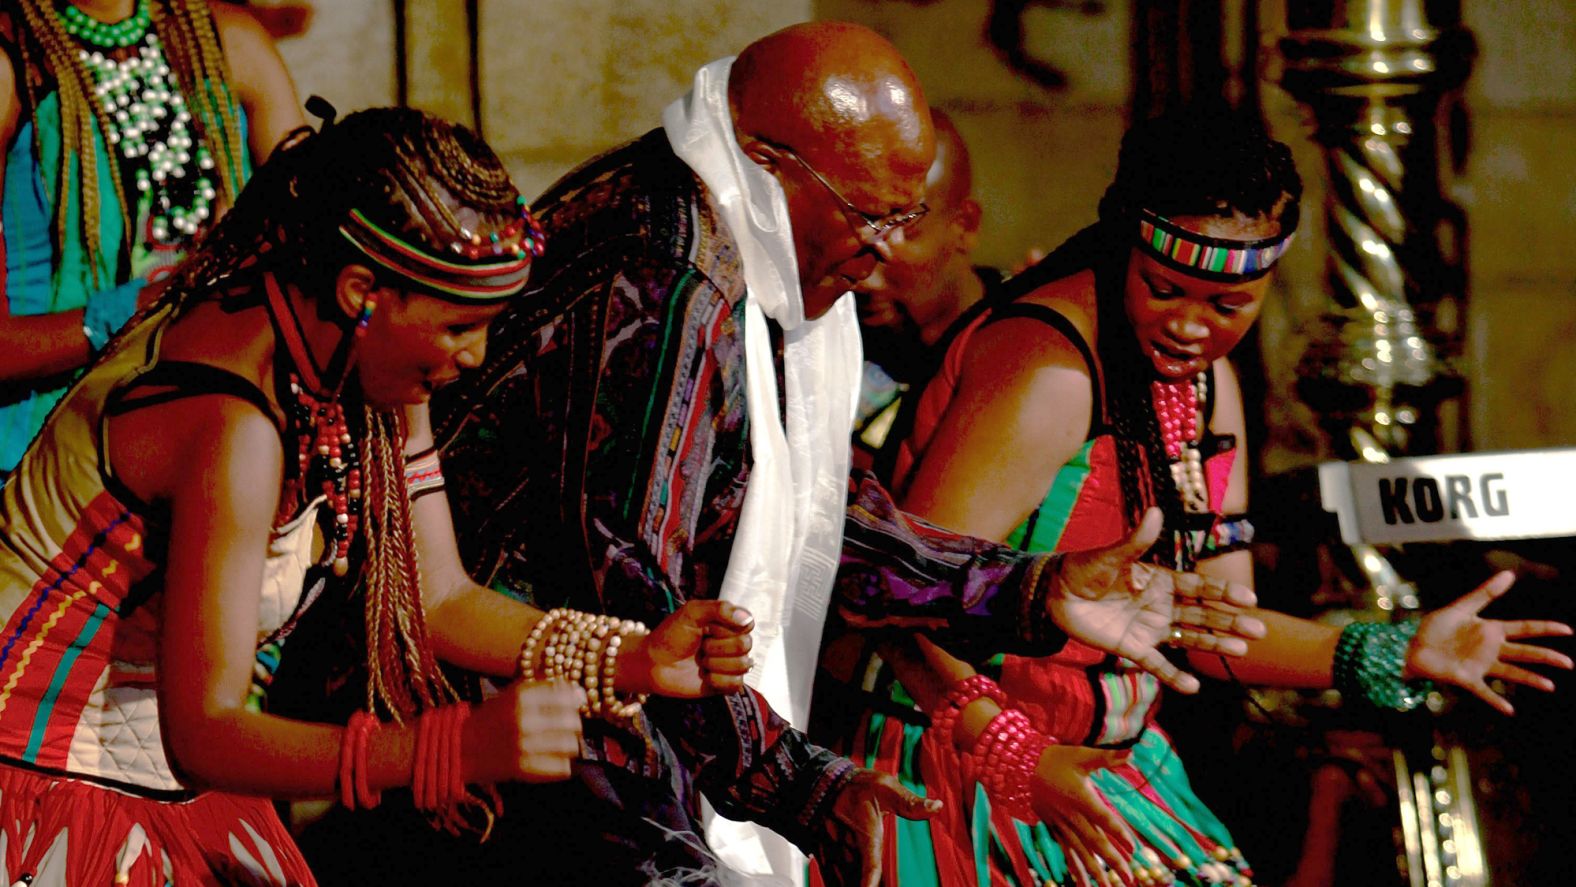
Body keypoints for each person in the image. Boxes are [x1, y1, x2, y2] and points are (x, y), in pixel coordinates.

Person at [427, 22, 1265, 887]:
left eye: (905, 218)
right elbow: (636, 614)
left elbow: (810, 521)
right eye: (869, 216)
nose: (885, 253)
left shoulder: (755, 245)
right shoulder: (671, 281)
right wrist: (803, 785)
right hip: (493, 725)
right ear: (767, 162)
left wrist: (1031, 587)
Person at [0, 105, 756, 885]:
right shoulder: (233, 426)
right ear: (363, 287)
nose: (476, 356)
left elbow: (441, 598)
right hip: (44, 797)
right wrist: (450, 748)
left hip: (156, 788)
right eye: (461, 325)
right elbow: (204, 729)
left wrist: (629, 656)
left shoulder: (356, 366)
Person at [839, 106, 1574, 886]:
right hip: (951, 764)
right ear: (1126, 248)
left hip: (1099, 765)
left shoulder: (1204, 384)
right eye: (1166, 290)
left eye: (1230, 306)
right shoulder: (1047, 374)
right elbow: (891, 595)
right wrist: (1015, 753)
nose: (1193, 326)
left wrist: (1390, 648)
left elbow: (1208, 626)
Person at [0, 0, 304, 470]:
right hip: (45, 462)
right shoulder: (13, 59)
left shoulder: (230, 42)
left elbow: (316, 239)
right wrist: (142, 308)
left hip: (211, 431)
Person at [849, 108, 1001, 472]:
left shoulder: (1022, 341)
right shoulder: (819, 343)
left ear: (964, 225)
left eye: (903, 232)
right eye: (856, 232)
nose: (865, 279)